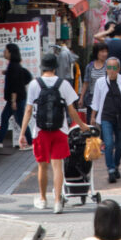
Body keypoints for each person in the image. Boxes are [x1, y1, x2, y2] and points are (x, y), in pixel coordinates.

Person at [18, 52, 87, 212]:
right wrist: (82, 126)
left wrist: (22, 133)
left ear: (42, 67)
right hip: (60, 131)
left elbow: (28, 110)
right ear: (55, 68)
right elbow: (72, 111)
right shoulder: (63, 84)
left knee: (42, 167)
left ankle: (42, 199)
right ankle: (57, 201)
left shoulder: (35, 84)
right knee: (58, 167)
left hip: (41, 131)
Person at [90, 57, 121, 183]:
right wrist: (93, 116)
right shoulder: (100, 82)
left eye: (114, 68)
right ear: (106, 68)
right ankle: (110, 170)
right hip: (106, 117)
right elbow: (96, 100)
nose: (111, 70)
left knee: (120, 145)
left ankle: (116, 166)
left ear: (118, 69)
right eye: (109, 67)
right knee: (109, 144)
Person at [0, 43, 32, 148]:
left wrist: (13, 101)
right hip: (17, 98)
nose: (4, 53)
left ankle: (30, 142)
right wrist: (7, 73)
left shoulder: (13, 66)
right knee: (6, 117)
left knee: (20, 120)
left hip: (17, 99)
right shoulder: (14, 65)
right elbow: (26, 77)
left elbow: (14, 85)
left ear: (11, 53)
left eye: (5, 51)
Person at [80, 43, 109, 124]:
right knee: (91, 122)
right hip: (91, 98)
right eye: (102, 51)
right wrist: (81, 97)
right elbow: (86, 83)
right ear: (97, 53)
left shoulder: (109, 65)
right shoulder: (90, 66)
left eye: (106, 52)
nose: (104, 54)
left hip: (105, 98)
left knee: (104, 122)